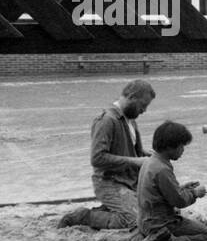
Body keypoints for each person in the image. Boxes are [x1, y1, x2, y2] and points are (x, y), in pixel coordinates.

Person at [58, 80, 156, 230]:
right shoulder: (106, 120)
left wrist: (143, 153)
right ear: (131, 96)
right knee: (134, 221)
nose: (144, 110)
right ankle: (84, 217)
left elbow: (126, 151)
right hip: (109, 182)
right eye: (143, 105)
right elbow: (97, 158)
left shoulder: (130, 120)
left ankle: (109, 210)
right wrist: (135, 161)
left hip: (129, 182)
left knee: (157, 214)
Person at [136, 121, 207, 241]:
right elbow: (179, 201)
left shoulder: (151, 162)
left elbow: (160, 193)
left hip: (145, 221)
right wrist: (194, 193)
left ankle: (161, 237)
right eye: (181, 146)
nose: (183, 150)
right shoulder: (162, 169)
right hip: (160, 224)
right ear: (169, 147)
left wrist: (183, 188)